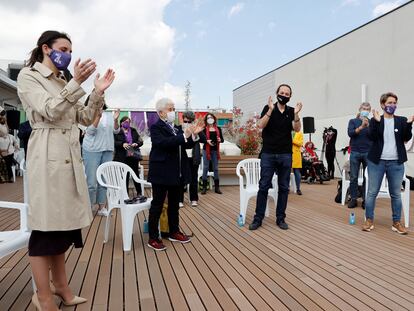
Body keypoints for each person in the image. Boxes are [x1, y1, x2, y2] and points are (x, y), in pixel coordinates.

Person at [17, 30, 115, 310]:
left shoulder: (63, 80)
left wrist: (96, 92)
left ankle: (62, 288)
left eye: (71, 50)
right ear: (46, 49)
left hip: (70, 157)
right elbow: (49, 110)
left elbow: (84, 118)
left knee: (63, 227)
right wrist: (77, 83)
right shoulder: (29, 76)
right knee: (46, 227)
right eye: (63, 48)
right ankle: (43, 295)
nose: (68, 55)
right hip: (47, 154)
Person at [147, 98, 203, 251]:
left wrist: (193, 135)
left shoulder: (176, 128)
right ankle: (153, 237)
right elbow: (164, 144)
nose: (173, 112)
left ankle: (174, 231)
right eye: (170, 109)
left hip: (176, 173)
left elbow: (186, 144)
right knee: (157, 205)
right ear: (160, 113)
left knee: (174, 205)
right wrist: (183, 136)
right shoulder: (156, 128)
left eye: (173, 109)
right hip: (161, 173)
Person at [249, 84, 302, 231]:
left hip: (285, 154)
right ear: (277, 93)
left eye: (287, 93)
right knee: (264, 186)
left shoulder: (291, 111)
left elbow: (297, 128)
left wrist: (296, 114)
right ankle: (257, 219)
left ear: (290, 96)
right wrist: (270, 110)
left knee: (284, 187)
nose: (284, 95)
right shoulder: (268, 108)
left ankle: (281, 218)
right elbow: (260, 125)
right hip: (268, 154)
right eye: (282, 92)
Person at [362, 92, 413, 235]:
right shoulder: (375, 120)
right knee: (372, 192)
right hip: (377, 162)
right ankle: (369, 220)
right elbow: (372, 137)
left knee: (396, 194)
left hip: (396, 163)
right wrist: (377, 122)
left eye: (394, 103)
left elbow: (406, 137)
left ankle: (396, 223)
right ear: (383, 105)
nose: (392, 105)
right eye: (390, 103)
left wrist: (409, 125)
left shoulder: (402, 120)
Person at [82, 103, 120, 215]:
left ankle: (101, 207)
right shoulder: (86, 114)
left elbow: (116, 131)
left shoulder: (108, 115)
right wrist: (97, 117)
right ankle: (90, 207)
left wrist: (115, 120)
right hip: (92, 150)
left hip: (107, 149)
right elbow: (90, 131)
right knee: (92, 182)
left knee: (104, 180)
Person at [347, 102, 372, 208]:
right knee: (353, 177)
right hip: (355, 152)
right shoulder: (353, 121)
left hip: (368, 153)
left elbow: (375, 136)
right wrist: (361, 127)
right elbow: (350, 133)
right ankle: (353, 198)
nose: (365, 110)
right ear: (359, 109)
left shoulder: (373, 122)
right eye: (363, 108)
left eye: (367, 108)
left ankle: (365, 200)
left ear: (369, 111)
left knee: (368, 177)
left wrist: (369, 126)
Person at [114, 116, 144, 196]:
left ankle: (139, 193)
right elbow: (114, 143)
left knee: (135, 175)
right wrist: (122, 144)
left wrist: (136, 144)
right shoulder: (117, 131)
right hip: (122, 157)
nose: (127, 123)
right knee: (125, 177)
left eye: (128, 122)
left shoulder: (133, 130)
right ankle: (125, 195)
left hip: (132, 155)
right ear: (121, 123)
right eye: (125, 122)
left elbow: (140, 141)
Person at [179, 111, 203, 207]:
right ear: (183, 120)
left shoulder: (196, 128)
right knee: (181, 178)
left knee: (194, 178)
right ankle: (179, 200)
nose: (187, 123)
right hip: (183, 157)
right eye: (186, 121)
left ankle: (194, 199)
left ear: (193, 121)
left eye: (190, 122)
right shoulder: (179, 129)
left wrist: (196, 133)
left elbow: (204, 139)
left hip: (194, 157)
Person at [199, 113, 224, 195]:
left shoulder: (218, 129)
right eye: (208, 118)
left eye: (211, 117)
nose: (210, 119)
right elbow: (200, 140)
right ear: (206, 120)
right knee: (205, 168)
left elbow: (222, 140)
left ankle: (217, 188)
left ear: (214, 119)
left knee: (216, 168)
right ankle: (204, 188)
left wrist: (219, 139)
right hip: (206, 150)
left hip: (215, 151)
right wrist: (207, 141)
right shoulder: (203, 129)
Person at [292, 126, 303, 195]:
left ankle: (298, 188)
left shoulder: (299, 133)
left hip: (296, 155)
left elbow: (300, 143)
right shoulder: (286, 132)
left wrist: (292, 140)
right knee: (286, 172)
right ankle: (286, 188)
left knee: (297, 172)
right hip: (287, 154)